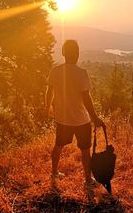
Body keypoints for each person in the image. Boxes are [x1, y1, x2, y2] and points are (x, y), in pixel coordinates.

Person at [45, 39, 105, 188]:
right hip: (80, 120)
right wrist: (95, 118)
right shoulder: (82, 73)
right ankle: (88, 180)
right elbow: (86, 99)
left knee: (58, 145)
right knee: (85, 151)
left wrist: (48, 107)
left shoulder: (55, 71)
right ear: (77, 54)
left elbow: (49, 91)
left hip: (62, 118)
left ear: (63, 53)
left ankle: (54, 173)